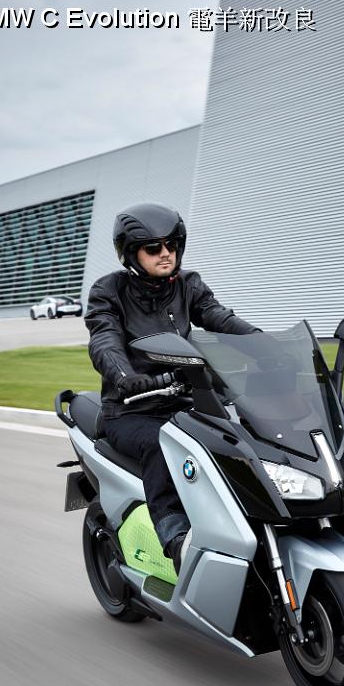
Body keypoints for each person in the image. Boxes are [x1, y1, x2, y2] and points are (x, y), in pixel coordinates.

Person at [85, 202, 258, 574]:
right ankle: (176, 538)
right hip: (133, 408)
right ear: (131, 254)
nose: (165, 253)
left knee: (243, 435)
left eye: (171, 245)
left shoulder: (187, 285)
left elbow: (219, 317)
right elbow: (104, 339)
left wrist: (263, 344)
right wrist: (124, 375)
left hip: (186, 400)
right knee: (163, 445)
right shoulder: (109, 291)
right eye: (153, 248)